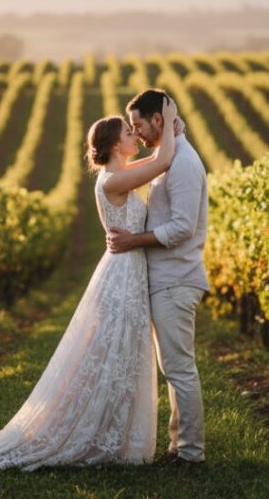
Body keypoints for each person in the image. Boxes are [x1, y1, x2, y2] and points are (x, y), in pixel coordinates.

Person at [0, 95, 180, 473]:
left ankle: (116, 435)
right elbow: (165, 160)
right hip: (122, 275)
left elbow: (156, 160)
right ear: (112, 144)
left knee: (122, 355)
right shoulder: (115, 180)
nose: (134, 134)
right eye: (127, 131)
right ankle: (100, 436)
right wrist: (168, 119)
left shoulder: (118, 173)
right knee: (112, 355)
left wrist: (172, 132)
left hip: (127, 270)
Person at [107, 88, 209, 465]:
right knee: (173, 369)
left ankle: (192, 454)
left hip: (177, 280)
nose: (138, 133)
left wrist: (134, 240)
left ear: (159, 120)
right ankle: (177, 446)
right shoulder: (169, 156)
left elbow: (182, 227)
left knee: (180, 369)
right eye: (131, 127)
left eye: (139, 125)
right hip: (166, 279)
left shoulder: (181, 163)